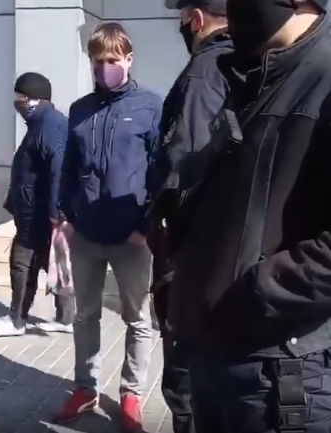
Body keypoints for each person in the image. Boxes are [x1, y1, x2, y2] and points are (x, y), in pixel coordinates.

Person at [163, 0, 331, 431]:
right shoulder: (252, 75)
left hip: (279, 375)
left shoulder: (324, 78)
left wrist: (254, 292)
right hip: (216, 361)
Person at [55, 22, 163, 432]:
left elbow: (161, 173)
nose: (105, 68)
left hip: (132, 237)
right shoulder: (80, 109)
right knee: (85, 316)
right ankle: (86, 389)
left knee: (138, 319)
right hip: (86, 235)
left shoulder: (150, 106)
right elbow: (69, 168)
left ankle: (132, 394)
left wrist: (147, 227)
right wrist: (65, 216)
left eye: (113, 60)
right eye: (97, 61)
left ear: (129, 59)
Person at [148, 1, 232, 433]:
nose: (181, 26)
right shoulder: (251, 63)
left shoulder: (203, 73)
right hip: (227, 250)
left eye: (182, 17)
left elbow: (182, 170)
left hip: (191, 258)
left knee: (185, 383)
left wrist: (160, 220)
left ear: (197, 19)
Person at [0, 72, 76, 337]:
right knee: (52, 261)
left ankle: (17, 320)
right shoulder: (42, 123)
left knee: (22, 262)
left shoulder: (49, 125)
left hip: (37, 212)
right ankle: (67, 318)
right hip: (35, 210)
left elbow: (59, 168)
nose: (17, 102)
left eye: (20, 97)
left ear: (33, 98)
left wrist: (57, 211)